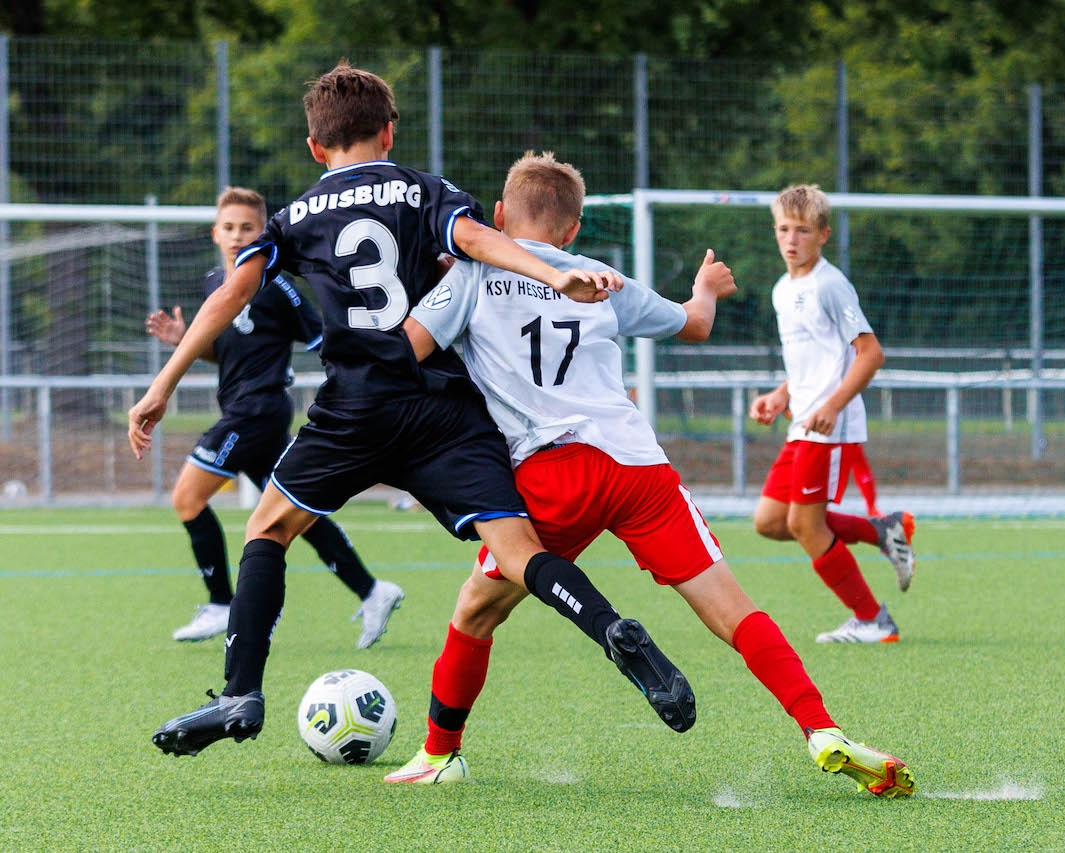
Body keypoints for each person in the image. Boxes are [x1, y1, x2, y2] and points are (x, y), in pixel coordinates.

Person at [129, 63, 692, 757]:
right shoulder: (426, 190)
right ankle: (609, 627)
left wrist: (162, 385)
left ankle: (240, 691)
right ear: (389, 132)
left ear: (315, 146)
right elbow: (477, 240)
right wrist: (554, 273)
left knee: (268, 527)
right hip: (443, 409)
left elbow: (228, 297)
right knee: (519, 552)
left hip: (355, 408)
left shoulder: (293, 217)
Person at [383, 152, 913, 798]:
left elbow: (402, 353)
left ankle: (440, 752)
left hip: (548, 474)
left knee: (474, 614)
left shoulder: (472, 274)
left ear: (496, 217)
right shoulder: (603, 279)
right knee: (734, 610)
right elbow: (695, 323)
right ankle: (821, 728)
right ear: (573, 230)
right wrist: (707, 286)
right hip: (638, 466)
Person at [147, 187, 403, 649]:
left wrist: (356, 386)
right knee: (294, 514)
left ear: (263, 233)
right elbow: (226, 351)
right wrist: (185, 339)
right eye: (229, 227)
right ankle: (372, 590)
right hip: (245, 412)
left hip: (257, 412)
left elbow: (322, 338)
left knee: (187, 498)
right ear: (215, 233)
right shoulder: (215, 283)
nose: (237, 236)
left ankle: (221, 604)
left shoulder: (277, 285)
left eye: (248, 228)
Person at [749, 184, 916, 645]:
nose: (791, 239)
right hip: (802, 422)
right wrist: (781, 394)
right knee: (770, 522)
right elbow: (817, 359)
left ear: (823, 235)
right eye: (784, 229)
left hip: (829, 426)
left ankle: (873, 619)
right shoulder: (783, 289)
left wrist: (832, 405)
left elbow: (870, 354)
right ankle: (882, 530)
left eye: (803, 230)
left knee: (804, 525)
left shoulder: (830, 284)